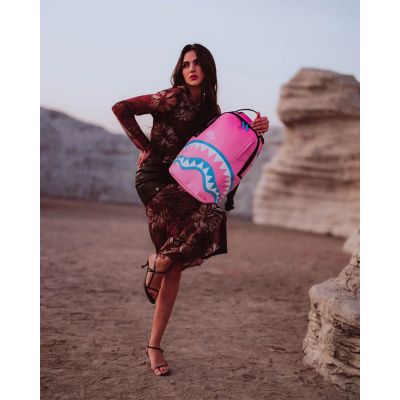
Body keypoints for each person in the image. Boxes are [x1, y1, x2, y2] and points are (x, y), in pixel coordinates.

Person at [111, 43, 269, 376]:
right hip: (155, 180)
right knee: (209, 218)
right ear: (180, 70)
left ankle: (154, 345)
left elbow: (230, 150)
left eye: (197, 63)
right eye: (185, 64)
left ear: (208, 69)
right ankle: (158, 262)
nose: (191, 69)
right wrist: (145, 146)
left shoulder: (213, 111)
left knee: (175, 267)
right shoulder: (170, 98)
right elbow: (121, 108)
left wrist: (254, 129)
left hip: (186, 183)